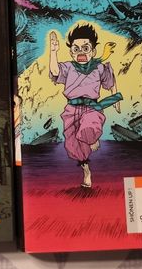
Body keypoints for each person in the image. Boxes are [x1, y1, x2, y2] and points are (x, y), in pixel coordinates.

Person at [49, 23, 122, 188]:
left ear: (93, 51)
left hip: (92, 108)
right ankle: (86, 171)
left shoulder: (99, 67)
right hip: (71, 110)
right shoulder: (68, 67)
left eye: (85, 48)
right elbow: (54, 71)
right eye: (76, 49)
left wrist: (115, 99)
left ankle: (92, 138)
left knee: (90, 125)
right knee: (73, 145)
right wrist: (53, 51)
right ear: (71, 52)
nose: (80, 52)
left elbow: (111, 83)